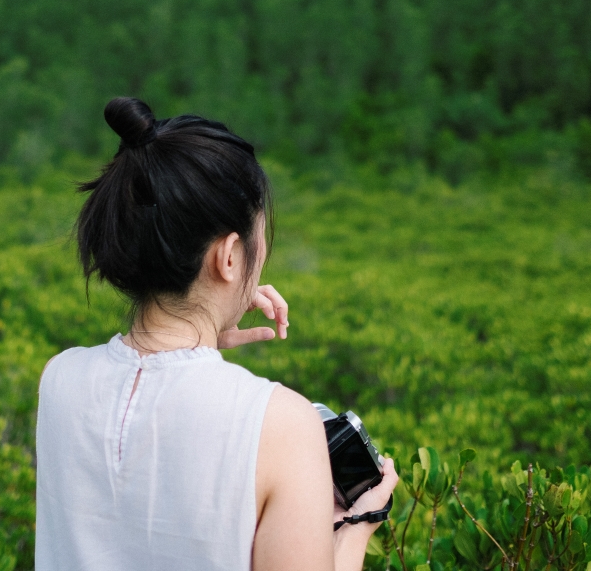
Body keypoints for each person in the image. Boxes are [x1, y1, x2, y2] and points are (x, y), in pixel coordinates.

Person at [35, 97, 398, 571]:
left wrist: (201, 334)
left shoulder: (60, 378)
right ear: (228, 257)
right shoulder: (282, 425)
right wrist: (358, 523)